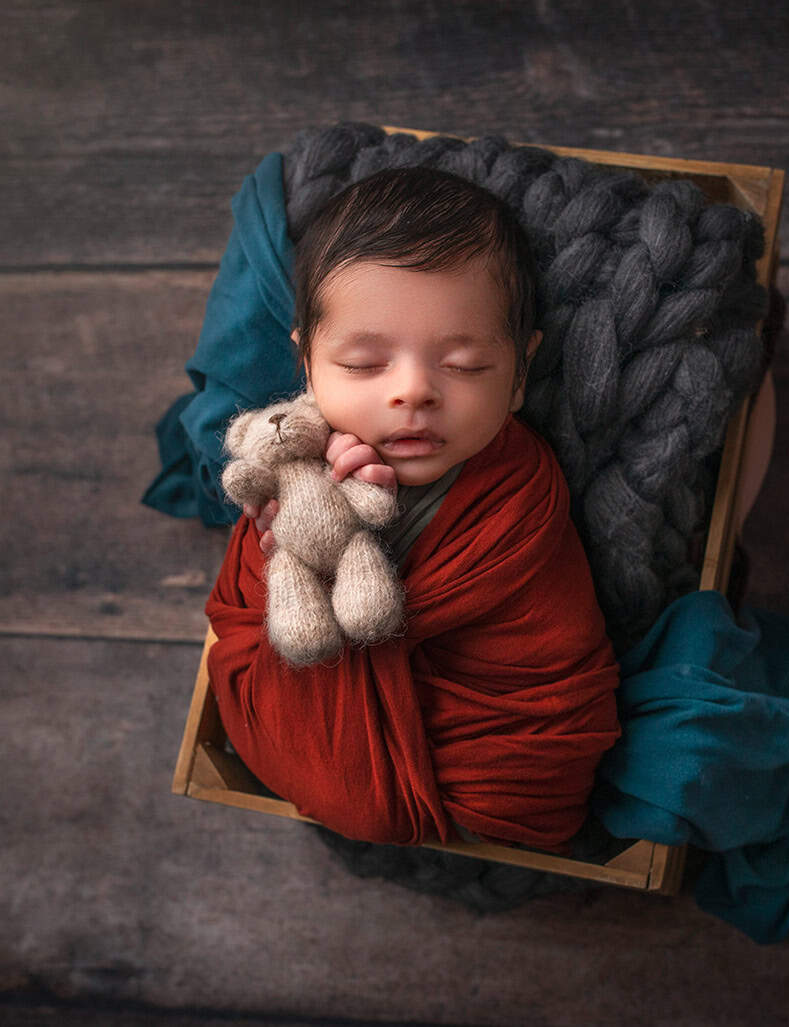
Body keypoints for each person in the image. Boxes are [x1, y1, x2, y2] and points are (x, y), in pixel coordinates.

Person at [203, 167, 622, 852]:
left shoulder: (514, 491)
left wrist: (375, 547)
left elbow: (547, 662)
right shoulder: (296, 457)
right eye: (366, 365)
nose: (414, 392)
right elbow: (244, 609)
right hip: (315, 720)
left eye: (464, 365)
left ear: (520, 374)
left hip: (494, 774)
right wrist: (287, 533)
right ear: (307, 366)